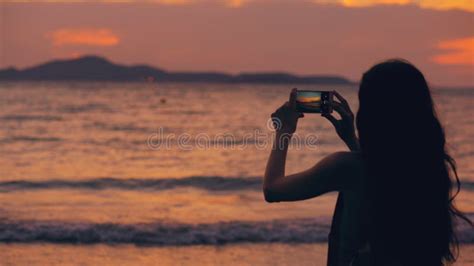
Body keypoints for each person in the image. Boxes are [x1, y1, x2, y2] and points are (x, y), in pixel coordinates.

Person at [263, 59, 472, 266]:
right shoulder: (426, 168)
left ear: (371, 112)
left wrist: (284, 130)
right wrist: (351, 139)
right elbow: (381, 178)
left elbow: (273, 190)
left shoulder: (346, 167)